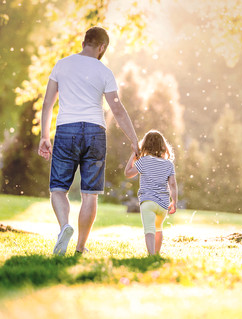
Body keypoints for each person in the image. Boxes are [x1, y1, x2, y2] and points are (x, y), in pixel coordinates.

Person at [38, 26, 139, 255]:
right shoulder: (104, 72)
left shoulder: (62, 65)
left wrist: (45, 136)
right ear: (102, 47)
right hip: (95, 132)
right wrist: (134, 139)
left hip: (66, 130)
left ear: (85, 42)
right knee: (89, 194)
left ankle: (65, 226)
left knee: (58, 189)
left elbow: (47, 103)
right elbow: (118, 110)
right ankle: (80, 248)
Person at [124, 130, 178, 255]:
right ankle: (157, 254)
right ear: (163, 146)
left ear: (145, 146)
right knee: (158, 229)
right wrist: (174, 201)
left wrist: (134, 155)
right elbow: (173, 185)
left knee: (149, 229)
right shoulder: (169, 165)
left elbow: (127, 173)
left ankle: (151, 255)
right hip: (163, 204)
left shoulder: (144, 161)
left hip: (148, 202)